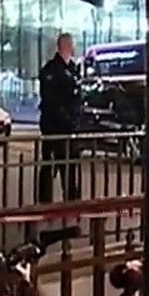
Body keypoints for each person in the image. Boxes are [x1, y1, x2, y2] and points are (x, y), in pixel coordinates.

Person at [37, 33, 83, 202]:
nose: (71, 48)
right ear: (62, 46)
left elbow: (77, 96)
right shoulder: (50, 70)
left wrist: (75, 119)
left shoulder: (73, 68)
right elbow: (51, 100)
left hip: (70, 127)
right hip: (54, 126)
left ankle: (71, 199)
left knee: (70, 165)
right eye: (69, 44)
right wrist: (66, 117)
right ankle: (45, 201)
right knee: (50, 165)